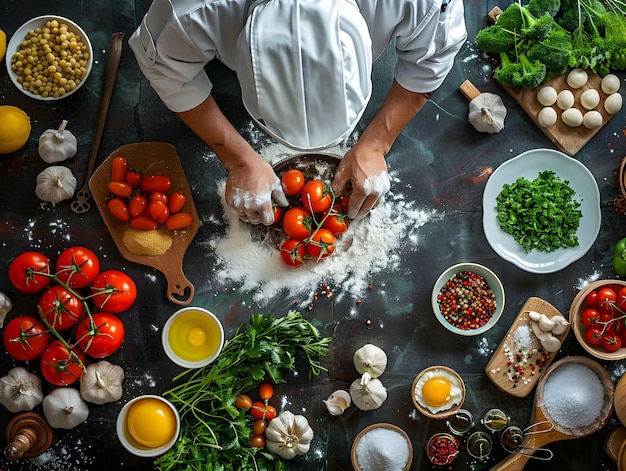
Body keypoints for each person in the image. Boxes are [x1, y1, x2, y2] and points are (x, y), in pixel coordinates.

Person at [129, 0, 466, 225]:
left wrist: (377, 142)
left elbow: (430, 59)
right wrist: (238, 159)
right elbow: (164, 68)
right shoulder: (191, 9)